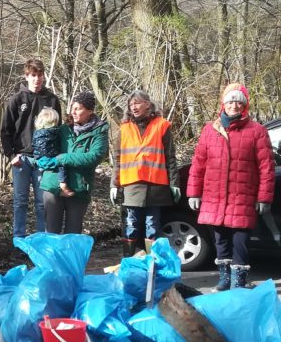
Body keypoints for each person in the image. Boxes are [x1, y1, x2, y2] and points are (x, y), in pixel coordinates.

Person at [186, 84, 275, 290]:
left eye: (239, 102)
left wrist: (264, 197)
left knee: (240, 242)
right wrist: (193, 192)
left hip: (242, 196)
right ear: (223, 104)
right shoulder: (210, 130)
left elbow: (266, 168)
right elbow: (198, 164)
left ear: (244, 106)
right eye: (230, 101)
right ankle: (224, 279)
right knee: (220, 240)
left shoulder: (257, 131)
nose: (234, 105)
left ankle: (238, 281)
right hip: (214, 197)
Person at [111, 90, 179, 257]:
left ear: (147, 104)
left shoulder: (162, 126)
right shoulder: (124, 128)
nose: (133, 107)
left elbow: (170, 157)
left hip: (155, 186)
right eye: (131, 104)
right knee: (131, 226)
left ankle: (151, 262)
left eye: (137, 103)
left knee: (152, 226)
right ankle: (129, 261)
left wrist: (174, 183)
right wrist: (114, 184)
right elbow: (117, 159)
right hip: (131, 185)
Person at [0, 58, 62, 239]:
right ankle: (18, 238)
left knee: (42, 203)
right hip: (21, 159)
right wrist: (11, 155)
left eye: (40, 75)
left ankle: (42, 239)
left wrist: (54, 157)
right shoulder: (16, 99)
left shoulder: (52, 99)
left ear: (44, 76)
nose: (37, 79)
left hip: (44, 160)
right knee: (20, 201)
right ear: (26, 76)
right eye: (33, 75)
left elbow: (58, 130)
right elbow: (5, 131)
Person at [38, 91, 109, 234]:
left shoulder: (99, 132)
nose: (73, 112)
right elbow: (44, 146)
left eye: (78, 108)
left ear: (90, 111)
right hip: (53, 185)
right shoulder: (63, 129)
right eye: (72, 108)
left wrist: (63, 158)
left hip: (78, 189)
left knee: (73, 234)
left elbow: (93, 157)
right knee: (51, 233)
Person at [32, 107, 74, 198]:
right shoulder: (53, 131)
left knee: (46, 178)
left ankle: (55, 190)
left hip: (38, 159)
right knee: (61, 164)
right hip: (48, 159)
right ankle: (63, 185)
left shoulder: (37, 132)